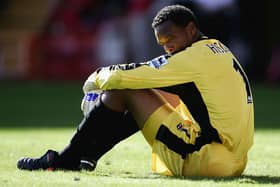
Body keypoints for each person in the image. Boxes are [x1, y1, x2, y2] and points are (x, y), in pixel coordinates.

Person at [17, 5, 254, 177]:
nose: (168, 47)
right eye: (163, 43)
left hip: (207, 159)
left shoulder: (190, 59)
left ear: (191, 29)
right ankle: (87, 156)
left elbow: (132, 74)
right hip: (235, 160)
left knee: (125, 89)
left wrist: (94, 80)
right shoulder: (217, 48)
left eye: (171, 38)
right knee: (157, 92)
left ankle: (65, 159)